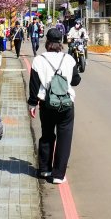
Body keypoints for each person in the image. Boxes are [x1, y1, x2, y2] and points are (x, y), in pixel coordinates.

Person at [27, 28, 81, 184]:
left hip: (46, 103)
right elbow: (75, 81)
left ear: (47, 41)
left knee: (47, 135)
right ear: (61, 42)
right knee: (65, 138)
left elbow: (34, 85)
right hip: (66, 104)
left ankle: (44, 169)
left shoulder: (39, 60)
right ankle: (58, 175)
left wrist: (32, 103)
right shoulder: (69, 59)